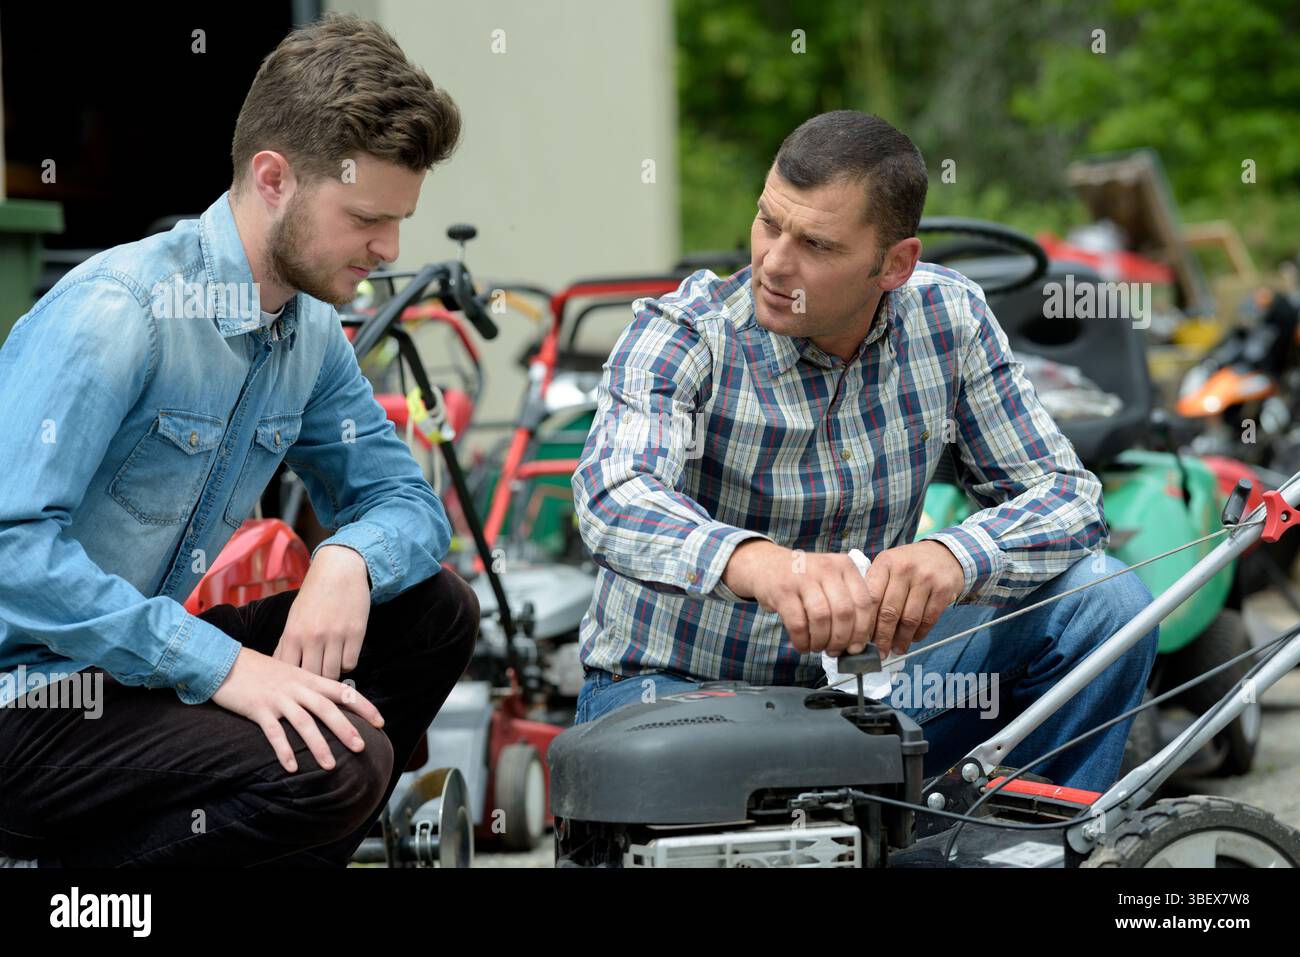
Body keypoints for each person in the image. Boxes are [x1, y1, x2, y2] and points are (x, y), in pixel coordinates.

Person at [0, 13, 478, 867]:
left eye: (400, 219)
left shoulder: (310, 335)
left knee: (434, 611)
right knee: (336, 763)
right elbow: (9, 548)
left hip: (130, 675)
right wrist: (221, 667)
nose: (389, 247)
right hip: (32, 696)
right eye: (366, 216)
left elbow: (404, 502)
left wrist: (350, 559)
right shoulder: (122, 313)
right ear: (272, 178)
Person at [570, 111, 1158, 793]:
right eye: (768, 223)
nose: (773, 262)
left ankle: (1026, 846)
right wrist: (755, 562)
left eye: (816, 244)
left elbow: (1068, 496)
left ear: (895, 264)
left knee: (1105, 600)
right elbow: (614, 494)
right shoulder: (683, 332)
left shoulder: (950, 318)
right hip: (671, 694)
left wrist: (957, 555)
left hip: (872, 694)